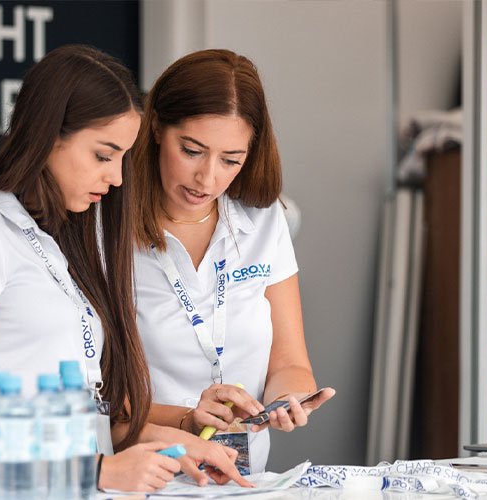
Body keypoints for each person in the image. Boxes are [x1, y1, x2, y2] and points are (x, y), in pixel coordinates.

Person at [0, 45, 249, 492]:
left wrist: (179, 442)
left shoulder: (57, 241)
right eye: (102, 155)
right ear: (48, 135)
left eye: (122, 158)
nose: (116, 178)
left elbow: (92, 423)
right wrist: (100, 471)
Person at [130, 49, 336, 474]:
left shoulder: (264, 221)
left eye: (231, 160)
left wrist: (285, 401)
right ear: (154, 129)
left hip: (241, 480)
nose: (208, 179)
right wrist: (187, 418)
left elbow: (290, 363)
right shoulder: (106, 228)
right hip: (141, 478)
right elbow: (96, 396)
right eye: (191, 151)